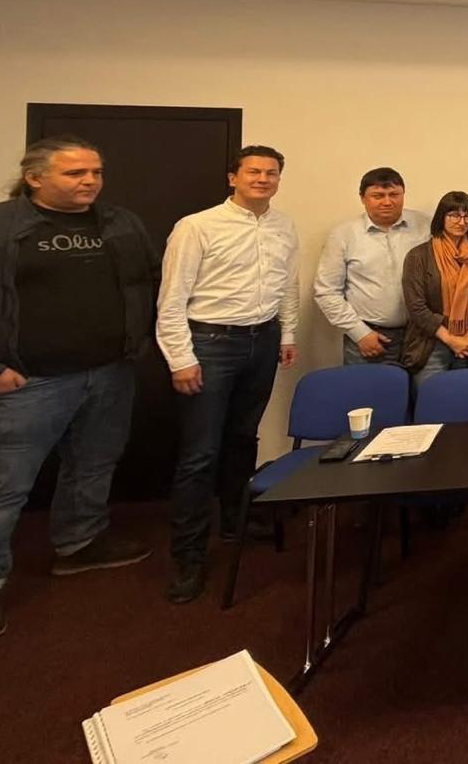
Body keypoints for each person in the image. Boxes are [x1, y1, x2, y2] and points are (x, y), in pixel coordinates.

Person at [0, 137, 159, 635]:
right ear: (34, 178)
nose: (90, 181)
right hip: (29, 381)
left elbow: (149, 281)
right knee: (6, 485)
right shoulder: (5, 226)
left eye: (96, 172)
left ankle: (79, 543)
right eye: (75, 173)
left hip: (110, 370)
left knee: (93, 464)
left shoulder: (121, 223)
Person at [158, 145, 299, 604]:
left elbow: (287, 284)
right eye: (253, 171)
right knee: (200, 454)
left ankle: (237, 524)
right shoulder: (197, 226)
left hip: (263, 340)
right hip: (211, 344)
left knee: (243, 439)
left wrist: (287, 333)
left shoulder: (283, 226)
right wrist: (180, 357)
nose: (262, 179)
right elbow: (172, 298)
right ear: (232, 177)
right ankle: (189, 557)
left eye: (271, 173)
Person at [313, 167, 427, 367]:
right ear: (362, 198)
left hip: (420, 336)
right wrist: (359, 333)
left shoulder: (425, 226)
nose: (387, 202)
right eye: (378, 196)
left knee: (423, 388)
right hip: (370, 339)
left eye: (394, 194)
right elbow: (326, 292)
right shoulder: (344, 235)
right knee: (368, 389)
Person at [400, 191, 468, 394]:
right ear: (441, 217)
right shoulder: (419, 256)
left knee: (467, 402)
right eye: (454, 215)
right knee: (432, 402)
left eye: (467, 215)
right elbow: (416, 307)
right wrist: (451, 339)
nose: (461, 221)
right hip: (431, 345)